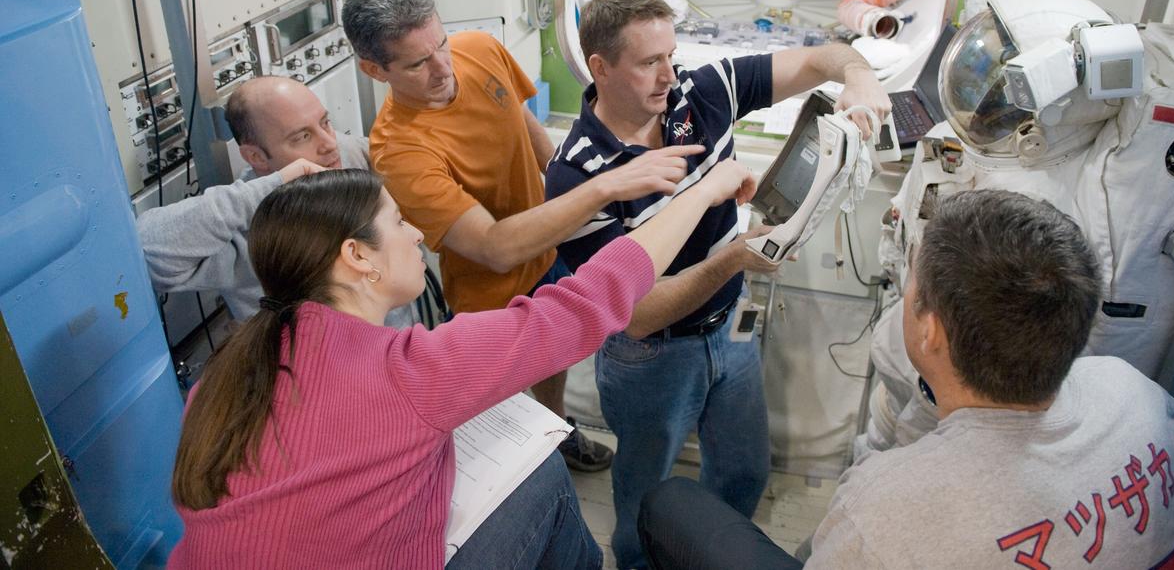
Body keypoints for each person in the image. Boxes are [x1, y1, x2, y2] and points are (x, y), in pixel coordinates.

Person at [167, 159, 757, 570]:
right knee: (544, 480)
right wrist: (701, 195)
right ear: (357, 257)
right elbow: (591, 300)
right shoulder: (412, 369)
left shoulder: (224, 375)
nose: (418, 233)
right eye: (399, 222)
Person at [637, 190, 1174, 570]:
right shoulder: (1136, 392)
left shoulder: (885, 512)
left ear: (931, 333)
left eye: (912, 284)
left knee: (669, 505)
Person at [544, 0, 892, 570]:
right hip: (650, 356)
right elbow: (636, 312)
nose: (667, 76)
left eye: (671, 56)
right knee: (644, 498)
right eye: (648, 62)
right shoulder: (577, 174)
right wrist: (733, 259)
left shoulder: (701, 92)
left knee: (743, 469)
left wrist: (859, 80)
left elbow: (819, 58)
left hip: (731, 328)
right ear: (599, 68)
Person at [342, 0, 700, 471]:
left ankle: (556, 430)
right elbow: (494, 247)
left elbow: (535, 140)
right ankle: (533, 476)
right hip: (491, 293)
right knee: (500, 425)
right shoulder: (401, 150)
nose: (443, 67)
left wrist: (578, 187)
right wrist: (603, 187)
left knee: (553, 365)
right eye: (418, 63)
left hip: (552, 252)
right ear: (374, 69)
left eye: (441, 44)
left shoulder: (481, 50)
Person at [135, 76, 413, 327]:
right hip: (311, 377)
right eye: (303, 136)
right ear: (256, 157)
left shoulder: (346, 155)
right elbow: (145, 249)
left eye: (325, 122)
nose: (329, 143)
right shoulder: (247, 230)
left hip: (397, 354)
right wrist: (275, 187)